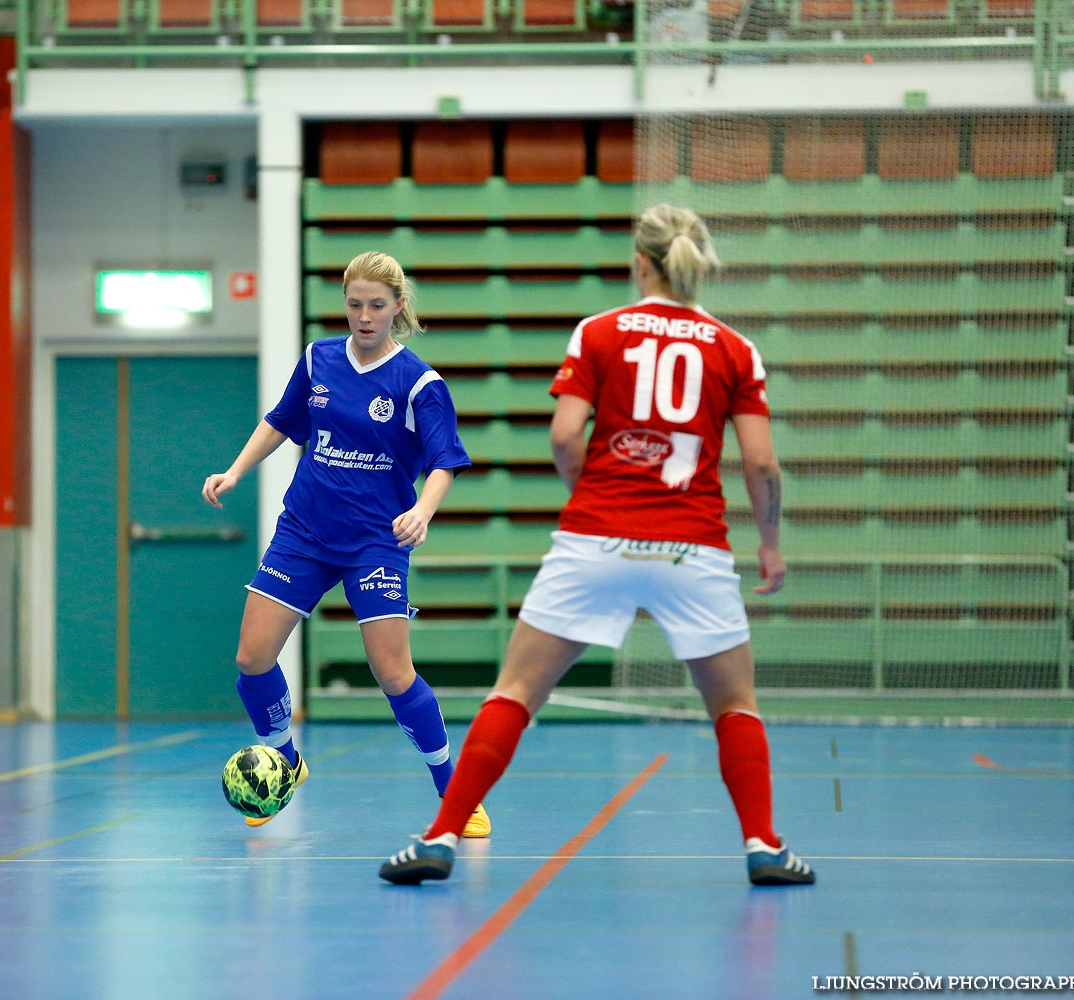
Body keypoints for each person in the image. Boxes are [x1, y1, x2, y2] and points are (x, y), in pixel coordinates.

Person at [380, 204, 815, 887]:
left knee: (516, 691)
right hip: (690, 546)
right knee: (734, 704)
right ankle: (763, 845)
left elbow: (562, 435)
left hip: (595, 538)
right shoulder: (733, 348)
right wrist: (770, 545)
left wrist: (592, 492)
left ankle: (440, 837)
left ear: (641, 263)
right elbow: (761, 464)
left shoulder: (600, 333)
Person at [203, 251, 489, 837]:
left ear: (398, 307)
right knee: (251, 658)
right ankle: (285, 761)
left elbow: (444, 461)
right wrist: (236, 472)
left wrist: (423, 510)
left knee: (392, 671)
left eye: (376, 306)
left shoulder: (419, 383)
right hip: (304, 530)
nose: (364, 316)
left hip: (374, 542)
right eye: (354, 304)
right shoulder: (318, 359)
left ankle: (455, 793)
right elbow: (280, 421)